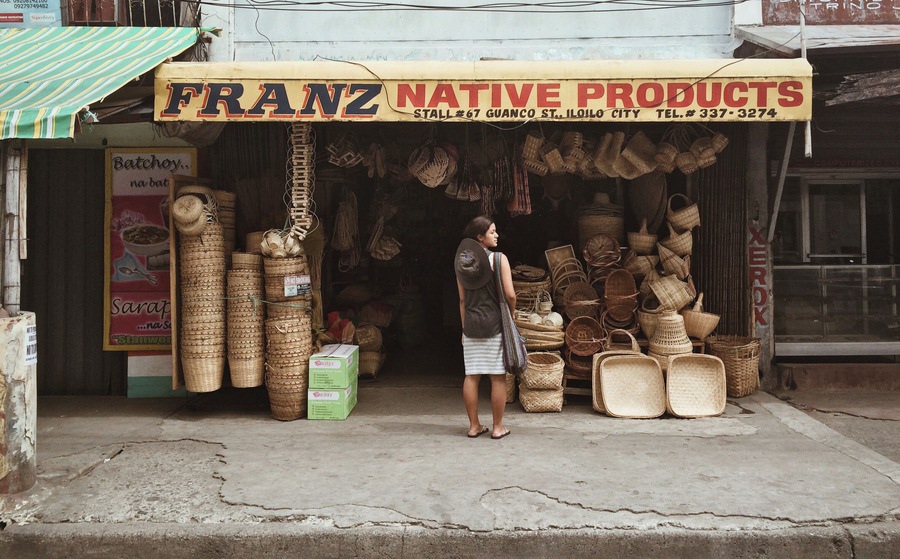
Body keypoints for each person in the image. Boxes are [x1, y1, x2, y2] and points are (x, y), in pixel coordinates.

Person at [454, 216, 515, 440]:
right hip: (494, 324)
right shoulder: (499, 260)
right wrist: (512, 313)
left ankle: (473, 426)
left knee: (471, 376)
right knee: (497, 377)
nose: (496, 235)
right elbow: (510, 294)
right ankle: (498, 427)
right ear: (480, 237)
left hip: (470, 325)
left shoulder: (462, 264)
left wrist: (463, 328)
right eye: (492, 232)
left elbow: (462, 301)